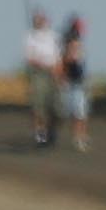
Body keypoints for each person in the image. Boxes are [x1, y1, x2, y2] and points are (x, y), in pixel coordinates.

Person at [22, 10, 62, 146]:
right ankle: (40, 136)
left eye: (42, 19)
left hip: (53, 73)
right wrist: (43, 64)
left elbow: (58, 57)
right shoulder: (31, 37)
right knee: (38, 107)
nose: (40, 21)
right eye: (37, 19)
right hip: (39, 74)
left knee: (56, 107)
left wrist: (58, 74)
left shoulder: (53, 36)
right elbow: (30, 58)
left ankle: (51, 131)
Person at [59, 14, 91, 152]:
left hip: (78, 80)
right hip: (73, 81)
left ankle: (81, 136)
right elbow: (68, 60)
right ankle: (78, 138)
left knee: (81, 112)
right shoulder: (70, 41)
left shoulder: (73, 40)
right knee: (78, 112)